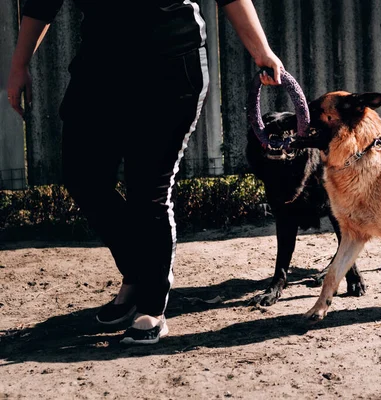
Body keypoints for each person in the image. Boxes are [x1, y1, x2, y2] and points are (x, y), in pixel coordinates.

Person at [7, 0, 284, 345]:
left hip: (171, 67)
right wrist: (19, 64)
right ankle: (137, 273)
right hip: (99, 68)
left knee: (148, 191)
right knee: (84, 178)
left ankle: (151, 307)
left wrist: (262, 51)